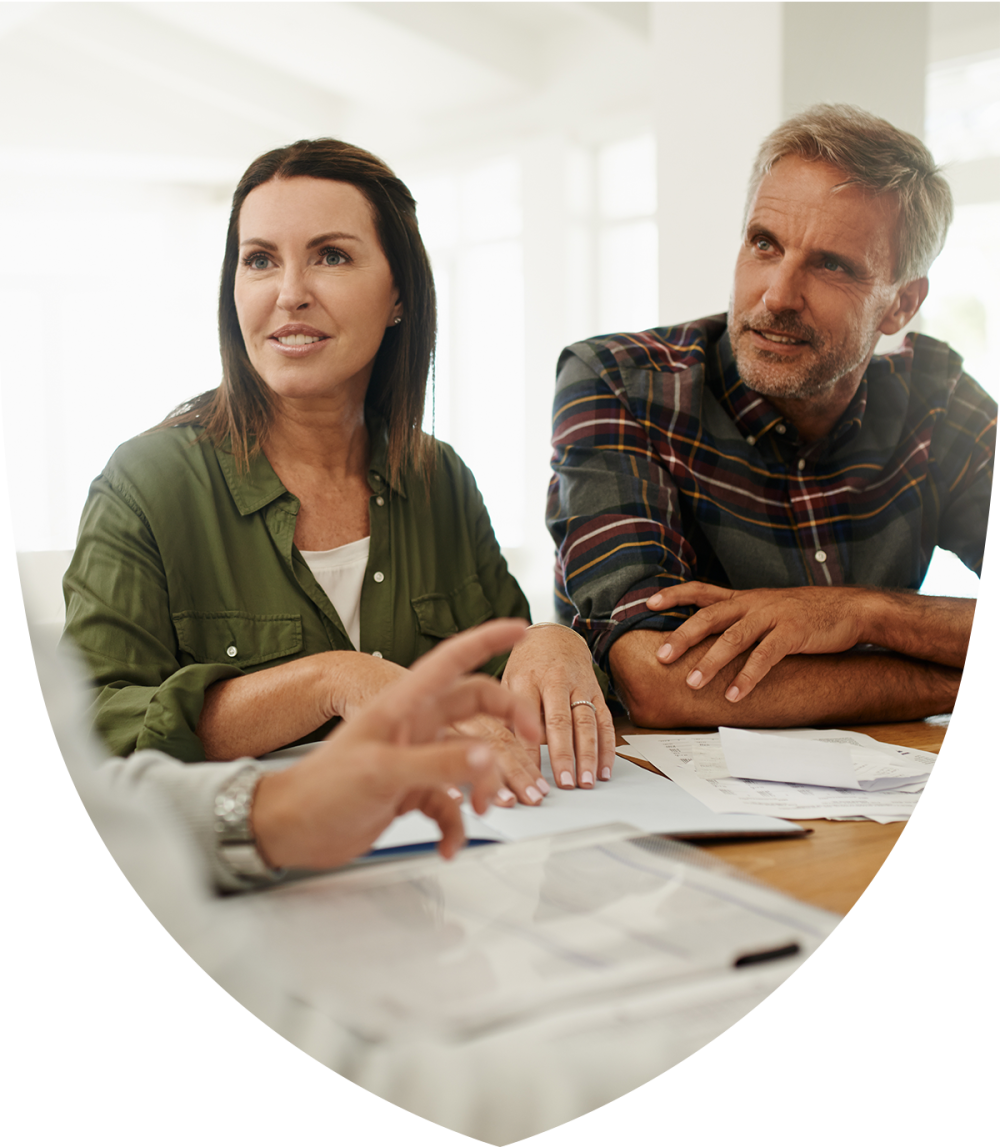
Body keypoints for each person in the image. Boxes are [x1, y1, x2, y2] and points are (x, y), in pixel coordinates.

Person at [63, 138, 614, 803]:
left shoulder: (440, 479)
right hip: (243, 882)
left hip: (444, 869)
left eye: (331, 255)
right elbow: (93, 726)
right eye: (260, 260)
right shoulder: (144, 483)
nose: (290, 294)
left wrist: (553, 643)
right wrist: (331, 680)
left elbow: (500, 684)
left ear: (399, 295)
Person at [547, 104, 995, 729]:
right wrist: (935, 673)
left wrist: (867, 614)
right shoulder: (621, 381)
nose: (778, 295)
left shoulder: (937, 397)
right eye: (765, 244)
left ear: (901, 304)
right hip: (674, 806)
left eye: (832, 264)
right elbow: (658, 677)